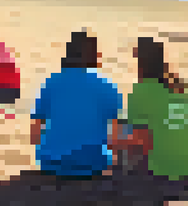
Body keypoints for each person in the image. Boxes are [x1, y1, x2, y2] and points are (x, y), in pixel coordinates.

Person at [112, 37, 188, 182]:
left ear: (141, 65)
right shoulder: (180, 87)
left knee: (119, 132)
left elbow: (140, 139)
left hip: (168, 170)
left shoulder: (142, 92)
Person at [30, 31, 124, 179]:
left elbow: (34, 135)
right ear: (93, 56)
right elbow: (115, 139)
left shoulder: (50, 83)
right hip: (93, 162)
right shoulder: (108, 86)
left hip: (51, 162)